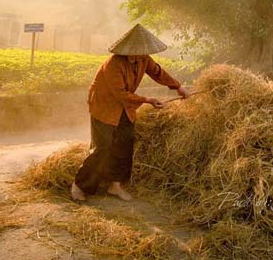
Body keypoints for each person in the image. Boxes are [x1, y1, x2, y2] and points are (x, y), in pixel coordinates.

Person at [70, 24, 189, 202]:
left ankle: (115, 185)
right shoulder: (113, 65)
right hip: (105, 107)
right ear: (128, 50)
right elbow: (120, 94)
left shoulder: (143, 59)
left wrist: (177, 86)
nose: (142, 54)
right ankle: (80, 185)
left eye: (144, 51)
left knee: (124, 145)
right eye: (139, 51)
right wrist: (147, 100)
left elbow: (158, 72)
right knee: (103, 147)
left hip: (126, 108)